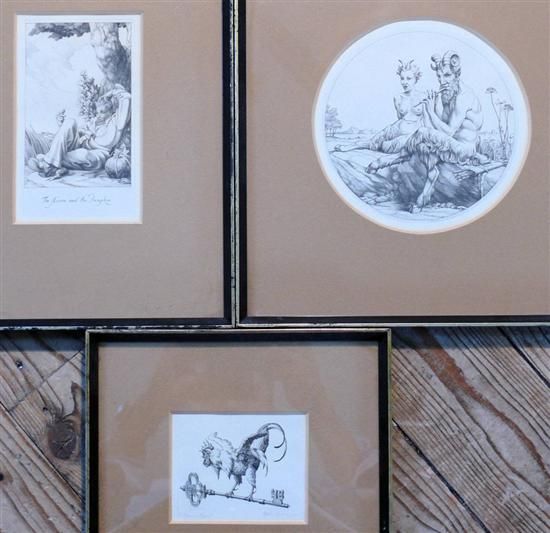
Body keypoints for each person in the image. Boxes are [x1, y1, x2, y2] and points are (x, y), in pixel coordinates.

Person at [29, 84, 131, 179]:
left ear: (112, 111)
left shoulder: (117, 122)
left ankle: (49, 162)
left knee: (82, 154)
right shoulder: (95, 121)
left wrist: (112, 92)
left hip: (99, 154)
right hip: (81, 145)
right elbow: (80, 132)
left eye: (102, 112)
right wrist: (62, 125)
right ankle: (51, 164)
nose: (98, 115)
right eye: (97, 112)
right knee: (70, 121)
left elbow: (127, 97)